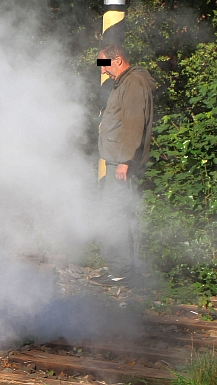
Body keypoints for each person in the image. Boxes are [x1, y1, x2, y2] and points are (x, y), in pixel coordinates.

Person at [93, 42, 155, 286]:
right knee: (119, 214)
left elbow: (133, 124)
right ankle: (125, 270)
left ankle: (122, 271)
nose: (102, 71)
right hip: (118, 160)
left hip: (121, 163)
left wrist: (124, 161)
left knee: (115, 216)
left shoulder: (132, 83)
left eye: (104, 64)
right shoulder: (126, 82)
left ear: (117, 59)